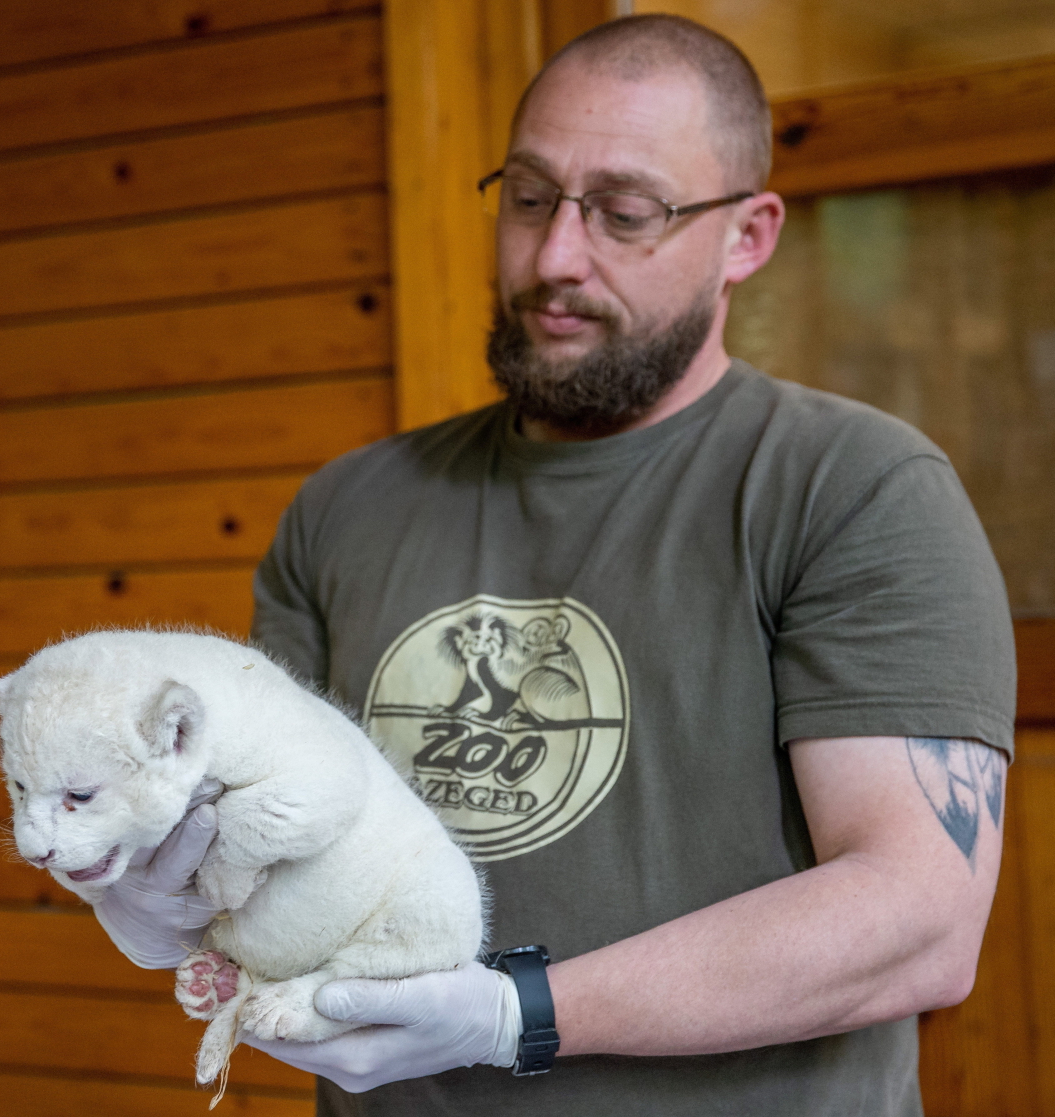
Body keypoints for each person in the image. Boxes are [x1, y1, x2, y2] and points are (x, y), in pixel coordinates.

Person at [92, 14, 1016, 1115]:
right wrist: (157, 901)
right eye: (529, 198)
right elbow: (268, 845)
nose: (554, 258)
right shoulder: (345, 510)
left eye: (625, 214)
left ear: (747, 237)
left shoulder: (849, 486)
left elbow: (917, 919)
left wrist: (513, 1014)